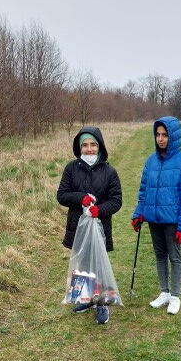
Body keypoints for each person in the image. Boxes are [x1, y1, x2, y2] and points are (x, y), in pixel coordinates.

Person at [131, 116, 181, 315]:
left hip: (172, 220)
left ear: (173, 137)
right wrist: (138, 214)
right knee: (160, 255)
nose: (160, 139)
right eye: (158, 134)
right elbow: (144, 191)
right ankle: (164, 292)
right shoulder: (151, 161)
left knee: (174, 257)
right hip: (153, 218)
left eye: (165, 135)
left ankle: (175, 296)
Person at [57, 126, 122, 324]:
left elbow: (116, 200)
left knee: (98, 264)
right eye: (85, 145)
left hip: (100, 227)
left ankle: (101, 303)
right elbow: (62, 195)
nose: (89, 149)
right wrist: (81, 198)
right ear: (79, 148)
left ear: (100, 146)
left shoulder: (109, 171)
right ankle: (87, 299)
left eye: (93, 144)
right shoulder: (71, 168)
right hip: (78, 227)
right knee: (83, 264)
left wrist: (99, 210)